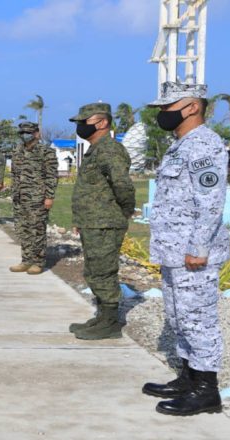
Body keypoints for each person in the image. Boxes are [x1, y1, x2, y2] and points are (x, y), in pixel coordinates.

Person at [142, 82, 229, 416]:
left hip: (194, 254)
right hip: (174, 251)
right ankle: (189, 379)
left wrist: (199, 247)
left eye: (168, 107)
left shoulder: (204, 144)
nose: (163, 113)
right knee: (179, 317)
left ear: (192, 107)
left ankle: (207, 391)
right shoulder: (181, 145)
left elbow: (210, 202)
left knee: (198, 319)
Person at [68, 103, 135, 340]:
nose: (80, 126)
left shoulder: (110, 149)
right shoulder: (96, 149)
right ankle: (102, 316)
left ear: (102, 122)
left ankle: (110, 323)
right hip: (94, 222)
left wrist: (125, 210)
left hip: (105, 222)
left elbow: (122, 184)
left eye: (84, 122)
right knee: (94, 270)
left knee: (103, 271)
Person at [9, 122, 58, 275]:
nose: (25, 135)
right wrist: (13, 191)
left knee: (37, 230)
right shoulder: (17, 151)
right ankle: (26, 260)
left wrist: (49, 196)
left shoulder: (46, 152)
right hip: (19, 197)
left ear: (36, 133)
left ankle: (38, 262)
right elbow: (14, 174)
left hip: (37, 198)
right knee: (23, 229)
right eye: (22, 133)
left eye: (28, 133)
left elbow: (51, 176)